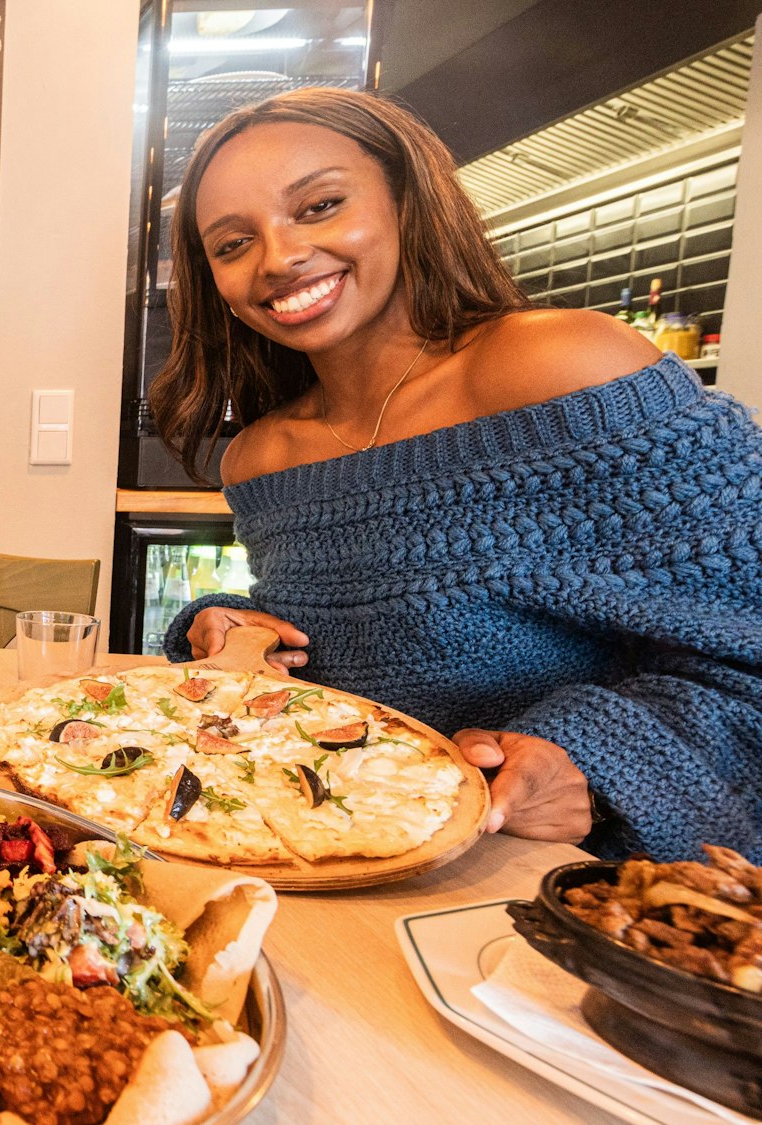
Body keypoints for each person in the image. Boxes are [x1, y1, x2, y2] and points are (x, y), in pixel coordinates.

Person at [149, 86, 761, 863]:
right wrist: (238, 627)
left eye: (319, 206)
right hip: (350, 874)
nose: (278, 257)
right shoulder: (262, 457)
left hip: (557, 896)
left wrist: (592, 759)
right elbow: (352, 647)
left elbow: (741, 644)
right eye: (232, 244)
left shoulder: (565, 369)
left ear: (409, 200)